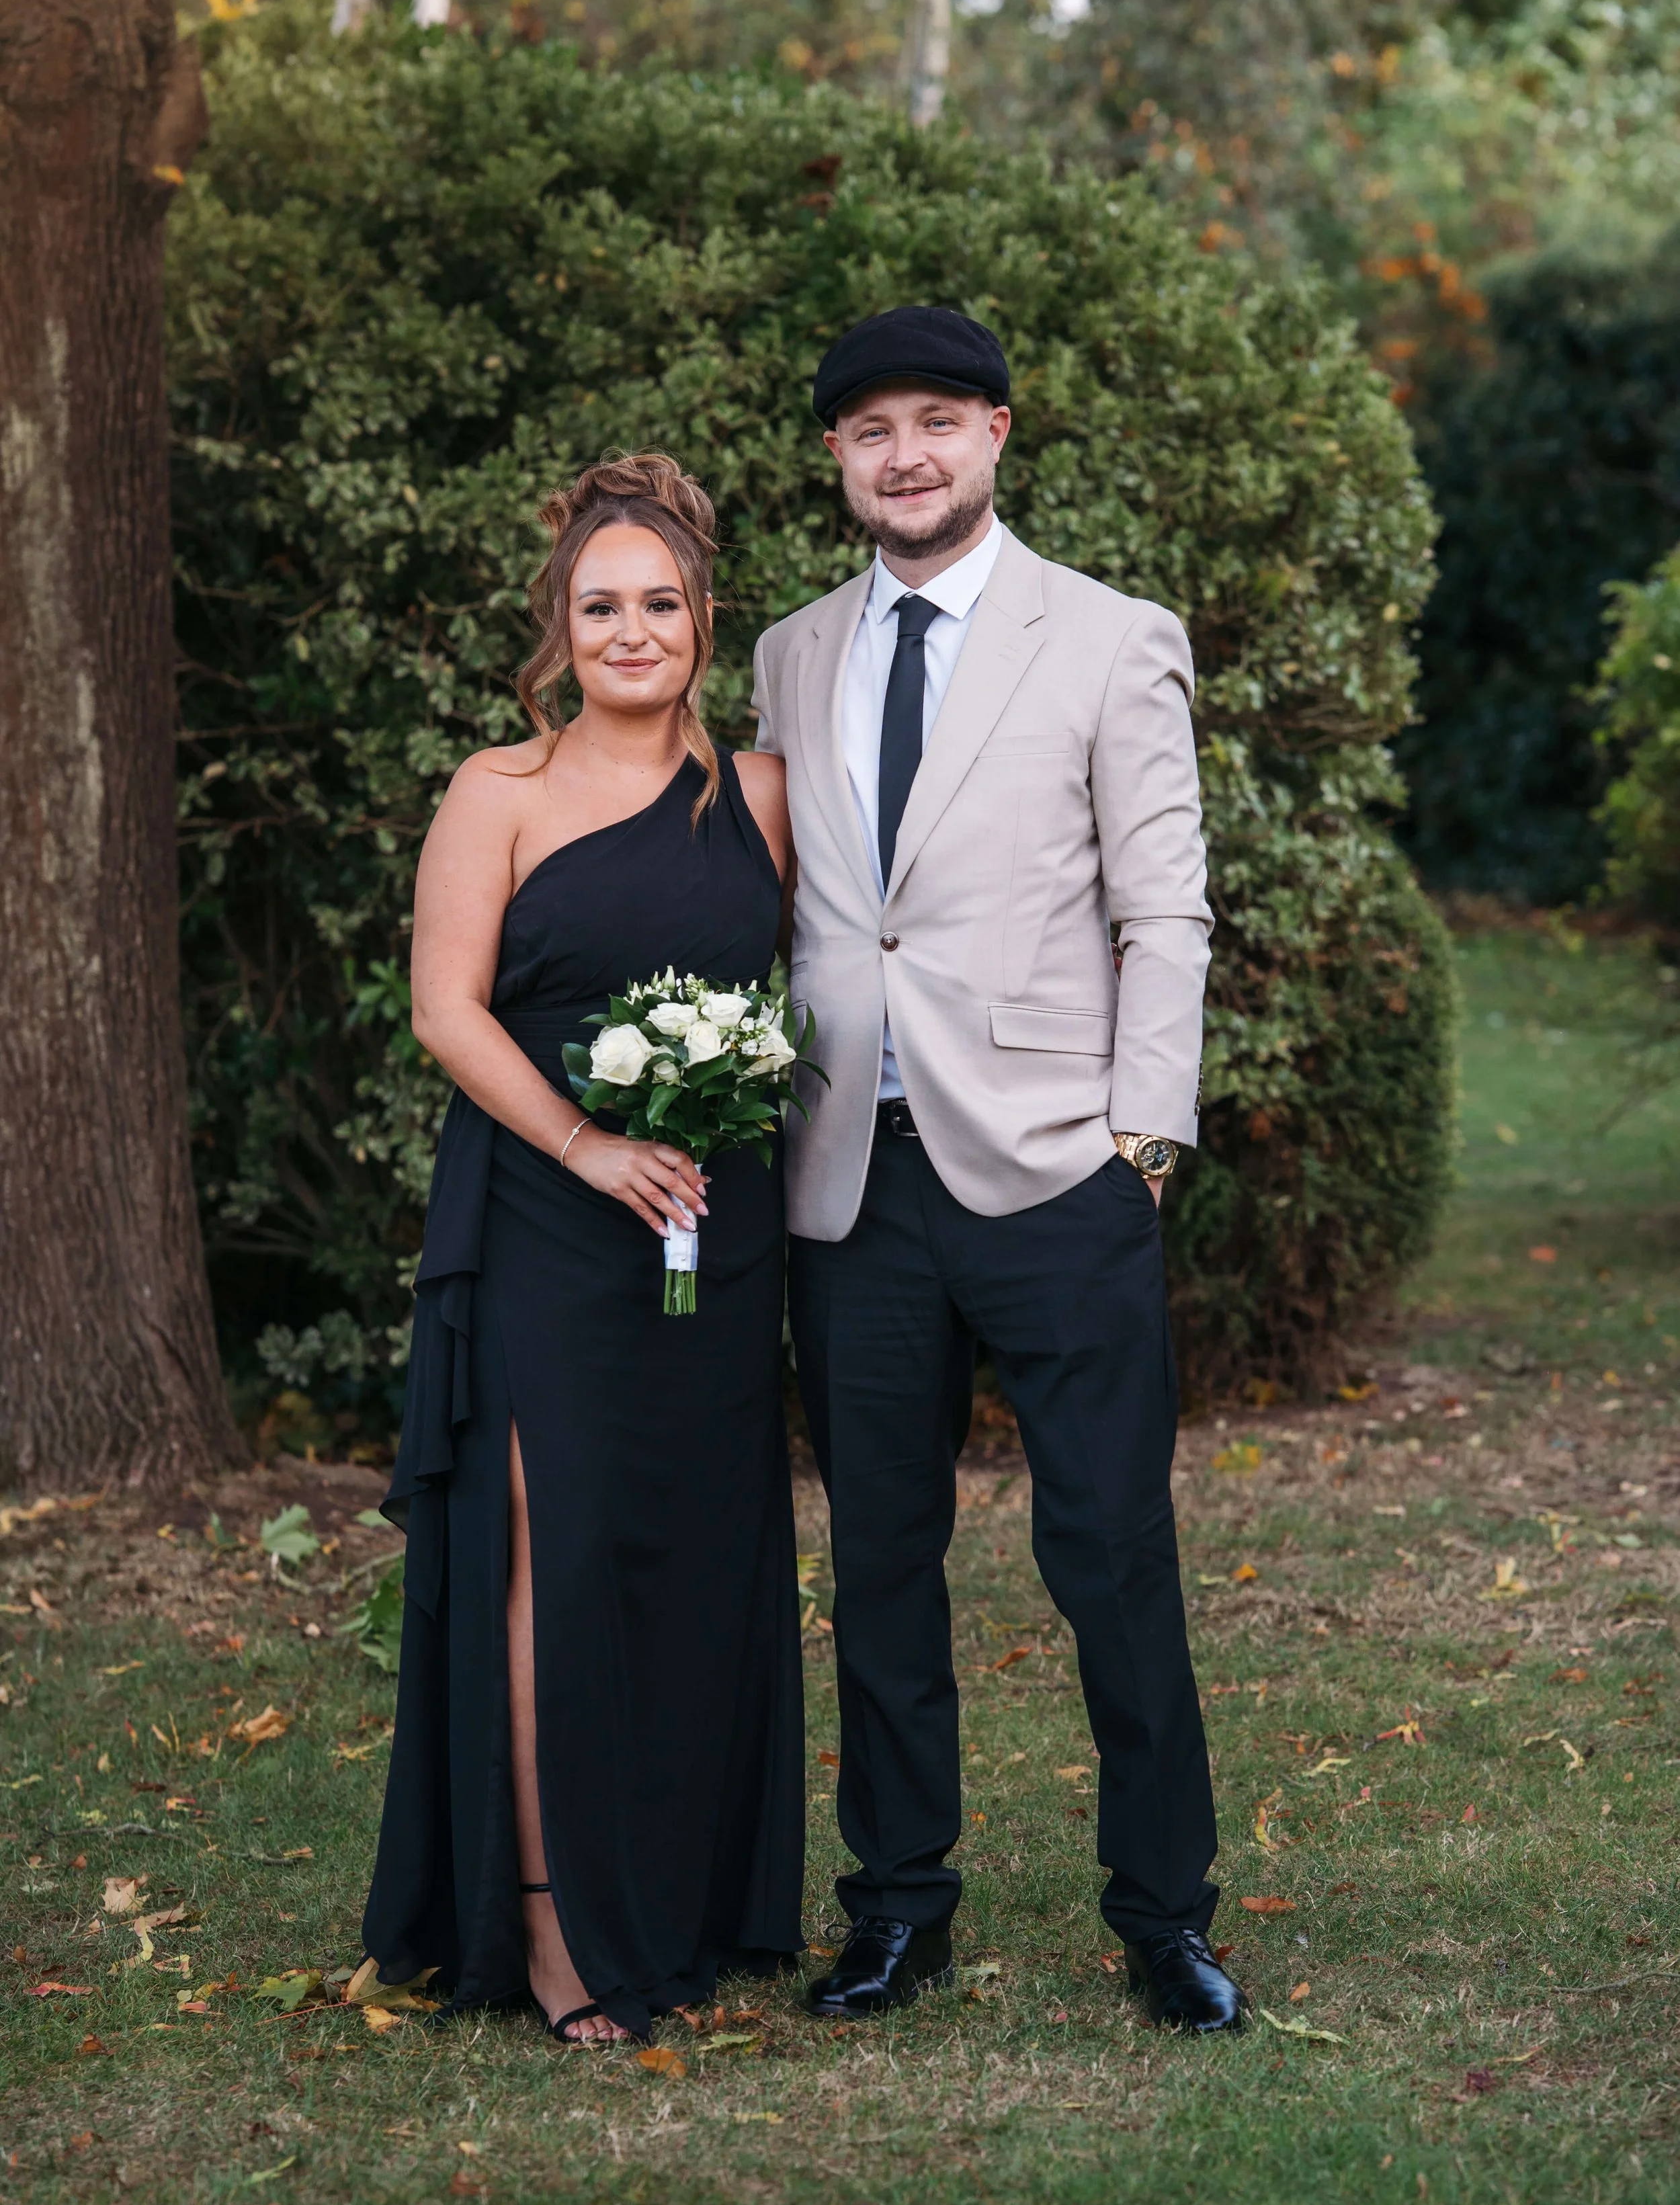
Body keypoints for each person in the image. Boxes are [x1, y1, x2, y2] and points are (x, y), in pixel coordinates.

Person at [752, 306, 1243, 2036]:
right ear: (836, 457)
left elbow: (1164, 907)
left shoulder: (1108, 638)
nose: (906, 455)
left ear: (995, 436)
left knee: (1109, 1552)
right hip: (849, 1183)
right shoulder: (790, 653)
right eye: (870, 428)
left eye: (937, 421)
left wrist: (1142, 1138)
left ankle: (1162, 1917)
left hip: (1056, 1176)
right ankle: (895, 1908)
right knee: (879, 1564)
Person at [362, 452, 805, 2045]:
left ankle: (685, 1894)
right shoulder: (499, 791)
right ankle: (550, 1924)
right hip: (548, 1218)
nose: (632, 633)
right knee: (554, 1556)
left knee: (700, 1550)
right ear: (559, 624)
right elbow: (445, 1010)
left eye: (660, 604)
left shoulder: (763, 795)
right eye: (600, 606)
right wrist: (584, 1145)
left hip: (712, 1223)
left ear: (703, 620)